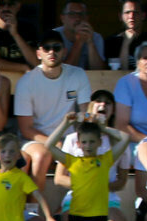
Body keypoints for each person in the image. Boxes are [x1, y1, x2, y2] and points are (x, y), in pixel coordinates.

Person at [55, 90, 146, 221]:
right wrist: (85, 185)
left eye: (107, 103)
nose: (102, 105)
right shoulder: (72, 139)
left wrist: (100, 187)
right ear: (90, 107)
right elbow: (59, 178)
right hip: (76, 195)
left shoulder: (116, 142)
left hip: (107, 195)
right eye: (98, 101)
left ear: (113, 109)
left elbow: (122, 181)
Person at [14, 31, 92, 189]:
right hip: (35, 139)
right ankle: (34, 210)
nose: (52, 52)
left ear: (63, 51)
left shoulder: (78, 74)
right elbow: (26, 129)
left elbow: (85, 114)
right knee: (42, 155)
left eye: (56, 47)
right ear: (38, 53)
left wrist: (80, 136)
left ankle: (69, 208)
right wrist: (55, 142)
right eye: (46, 48)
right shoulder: (26, 82)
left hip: (69, 139)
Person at [0, 0, 39, 71]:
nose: (6, 8)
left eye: (11, 4)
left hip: (24, 78)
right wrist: (23, 67)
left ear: (18, 6)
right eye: (1, 4)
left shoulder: (28, 27)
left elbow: (36, 63)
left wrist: (15, 34)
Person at [105, 1, 147, 71]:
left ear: (143, 16)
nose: (131, 16)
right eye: (127, 12)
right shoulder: (111, 42)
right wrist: (126, 43)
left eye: (136, 12)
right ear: (120, 17)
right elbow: (118, 71)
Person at [54, 1, 105, 70]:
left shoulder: (96, 37)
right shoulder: (54, 35)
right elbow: (64, 72)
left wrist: (90, 42)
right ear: (62, 18)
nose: (78, 18)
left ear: (87, 18)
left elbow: (99, 71)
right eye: (72, 14)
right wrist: (79, 41)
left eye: (81, 14)